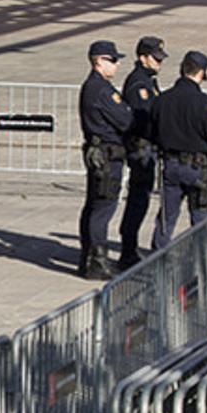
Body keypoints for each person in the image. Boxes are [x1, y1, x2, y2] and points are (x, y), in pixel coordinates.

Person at [150, 51, 207, 250]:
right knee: (200, 217)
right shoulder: (205, 104)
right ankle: (202, 258)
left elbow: (152, 131)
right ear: (201, 73)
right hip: (197, 167)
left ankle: (156, 258)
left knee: (166, 217)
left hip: (170, 165)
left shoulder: (163, 100)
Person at [77, 40, 134, 280]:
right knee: (103, 206)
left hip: (100, 152)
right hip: (108, 155)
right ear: (99, 60)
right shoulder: (101, 89)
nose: (117, 64)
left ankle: (88, 257)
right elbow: (125, 118)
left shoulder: (92, 86)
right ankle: (97, 260)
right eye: (112, 60)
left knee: (94, 204)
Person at [118, 36, 167, 269]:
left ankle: (130, 247)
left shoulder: (148, 80)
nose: (159, 62)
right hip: (141, 150)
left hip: (148, 148)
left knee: (142, 200)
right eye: (155, 58)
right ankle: (128, 250)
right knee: (137, 201)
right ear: (142, 58)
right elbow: (143, 117)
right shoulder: (139, 83)